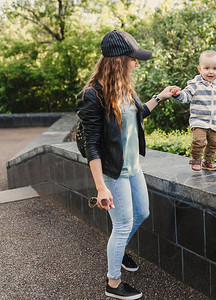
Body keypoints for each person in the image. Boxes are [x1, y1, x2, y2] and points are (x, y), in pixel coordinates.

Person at [77, 30, 177, 300]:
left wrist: (162, 95)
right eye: (133, 58)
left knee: (141, 213)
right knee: (122, 225)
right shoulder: (93, 95)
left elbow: (138, 113)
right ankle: (113, 283)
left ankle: (118, 249)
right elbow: (92, 146)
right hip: (113, 172)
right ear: (119, 60)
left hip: (133, 167)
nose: (137, 63)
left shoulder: (124, 88)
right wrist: (101, 188)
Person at [171, 50, 216, 172]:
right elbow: (186, 96)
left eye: (214, 68)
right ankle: (196, 160)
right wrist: (178, 94)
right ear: (200, 69)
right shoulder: (195, 84)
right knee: (199, 141)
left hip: (215, 122)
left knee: (213, 143)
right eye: (206, 68)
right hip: (199, 121)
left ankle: (208, 161)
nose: (211, 72)